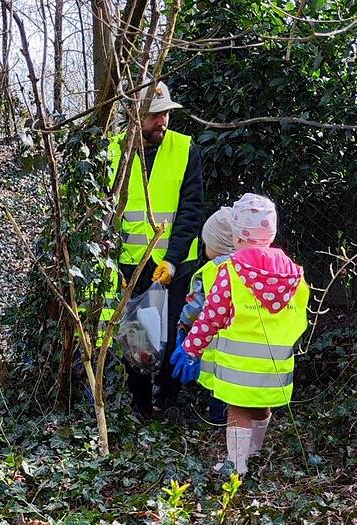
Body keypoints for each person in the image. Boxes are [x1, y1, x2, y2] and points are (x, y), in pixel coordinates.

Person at [173, 194, 309, 476]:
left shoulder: (230, 272)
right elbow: (300, 318)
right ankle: (255, 451)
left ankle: (236, 464)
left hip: (239, 366)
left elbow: (212, 315)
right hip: (277, 363)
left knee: (238, 412)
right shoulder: (293, 273)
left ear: (236, 236)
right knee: (261, 407)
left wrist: (191, 348)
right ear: (271, 232)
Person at [107, 81, 204, 421]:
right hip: (132, 264)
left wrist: (173, 259)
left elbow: (191, 211)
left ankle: (170, 400)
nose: (161, 122)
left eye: (165, 114)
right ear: (135, 117)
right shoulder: (114, 151)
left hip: (176, 263)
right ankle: (141, 404)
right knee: (137, 336)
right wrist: (112, 263)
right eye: (153, 116)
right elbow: (105, 213)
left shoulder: (185, 148)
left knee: (176, 331)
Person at [171, 207, 234, 423]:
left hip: (216, 350)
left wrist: (183, 330)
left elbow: (194, 308)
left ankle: (218, 420)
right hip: (247, 356)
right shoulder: (250, 269)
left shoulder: (208, 273)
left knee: (218, 389)